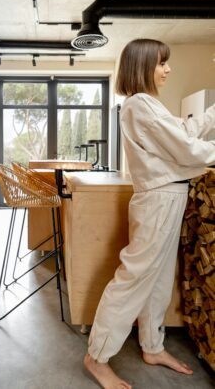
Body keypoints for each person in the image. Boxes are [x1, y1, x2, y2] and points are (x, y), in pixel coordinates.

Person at [84, 38, 215, 389]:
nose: (168, 69)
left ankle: (153, 347)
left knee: (156, 281)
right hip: (158, 200)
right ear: (142, 67)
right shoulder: (139, 105)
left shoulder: (147, 106)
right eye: (161, 63)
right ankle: (96, 358)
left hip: (167, 198)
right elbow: (187, 149)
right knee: (133, 279)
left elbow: (183, 133)